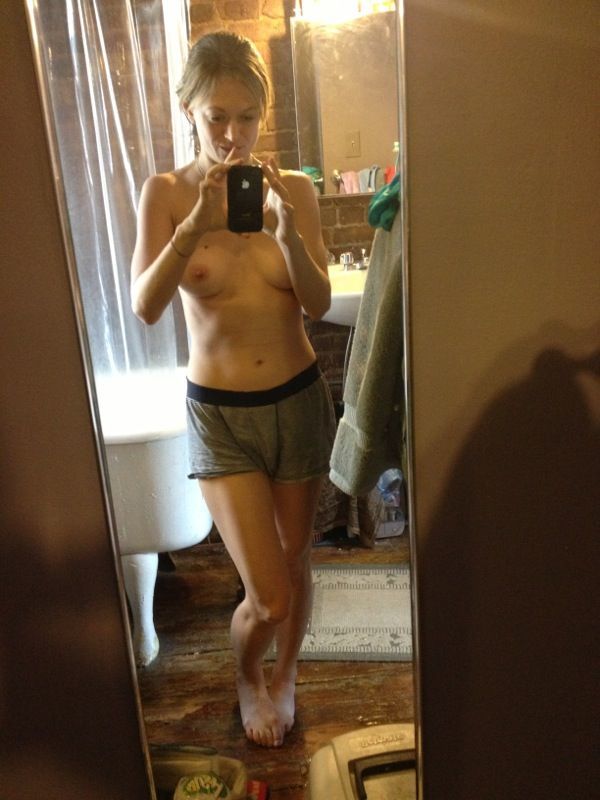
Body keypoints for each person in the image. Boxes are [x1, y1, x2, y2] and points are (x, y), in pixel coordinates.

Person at [130, 30, 336, 748]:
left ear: (262, 114)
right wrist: (190, 229)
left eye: (247, 117)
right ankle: (248, 672)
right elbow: (145, 305)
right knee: (268, 594)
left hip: (298, 400)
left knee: (296, 561)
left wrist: (288, 236)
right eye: (216, 116)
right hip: (221, 414)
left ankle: (286, 675)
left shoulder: (294, 190)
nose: (231, 134)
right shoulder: (165, 194)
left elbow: (317, 303)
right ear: (189, 110)